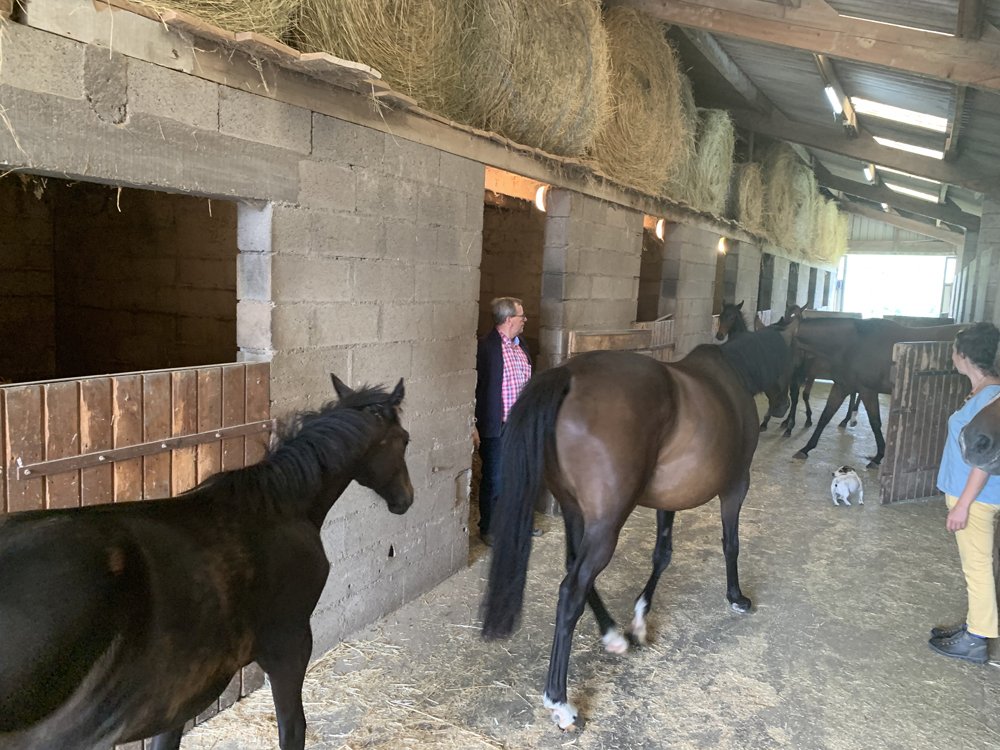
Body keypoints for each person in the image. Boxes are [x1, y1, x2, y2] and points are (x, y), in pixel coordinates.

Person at [930, 322, 1000, 664]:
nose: (952, 356)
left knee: (977, 566)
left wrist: (963, 506)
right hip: (974, 493)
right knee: (978, 563)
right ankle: (975, 624)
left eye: (954, 351)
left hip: (976, 497)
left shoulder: (990, 399)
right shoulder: (986, 392)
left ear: (964, 356)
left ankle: (976, 639)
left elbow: (985, 458)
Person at [473, 297, 541, 546]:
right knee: (496, 479)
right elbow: (475, 387)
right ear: (509, 319)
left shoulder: (521, 345)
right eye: (522, 316)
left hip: (521, 425)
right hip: (498, 426)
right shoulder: (486, 347)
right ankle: (489, 528)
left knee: (522, 476)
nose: (525, 320)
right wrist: (473, 422)